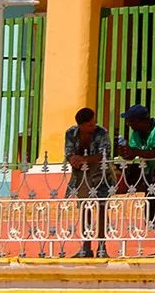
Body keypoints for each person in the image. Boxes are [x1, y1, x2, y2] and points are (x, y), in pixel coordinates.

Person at [116, 104, 155, 255]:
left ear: (141, 121)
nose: (129, 125)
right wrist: (125, 153)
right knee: (151, 210)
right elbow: (134, 153)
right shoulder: (137, 133)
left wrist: (135, 151)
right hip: (150, 174)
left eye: (131, 121)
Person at [64, 108, 112, 258]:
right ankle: (86, 247)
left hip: (100, 174)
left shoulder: (101, 132)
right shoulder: (71, 133)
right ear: (81, 125)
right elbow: (68, 152)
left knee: (102, 209)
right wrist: (73, 159)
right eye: (90, 125)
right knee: (85, 208)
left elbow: (104, 154)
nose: (93, 127)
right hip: (81, 175)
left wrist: (84, 159)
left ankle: (102, 248)